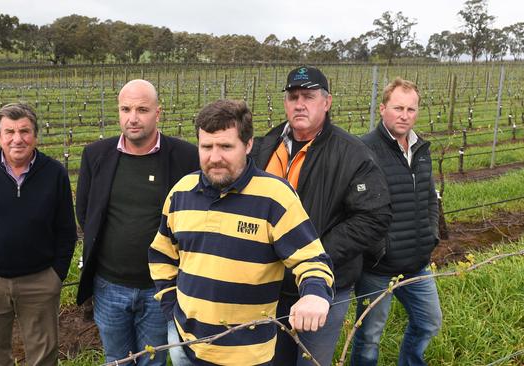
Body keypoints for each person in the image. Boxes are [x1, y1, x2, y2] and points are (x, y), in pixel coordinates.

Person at [149, 99, 335, 365]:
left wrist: (315, 294)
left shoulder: (275, 197)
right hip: (186, 346)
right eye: (206, 147)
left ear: (248, 145)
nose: (214, 158)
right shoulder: (181, 192)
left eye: (226, 146)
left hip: (249, 355)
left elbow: (312, 259)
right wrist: (172, 309)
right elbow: (162, 254)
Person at [251, 66, 392, 366]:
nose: (299, 103)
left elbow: (373, 217)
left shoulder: (352, 153)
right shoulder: (266, 146)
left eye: (308, 96)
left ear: (326, 102)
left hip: (326, 287)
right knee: (270, 359)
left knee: (311, 361)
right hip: (269, 285)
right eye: (293, 96)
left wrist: (314, 256)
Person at [75, 79, 199, 365]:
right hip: (109, 286)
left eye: (142, 109)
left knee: (151, 360)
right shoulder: (96, 154)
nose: (133, 118)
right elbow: (85, 211)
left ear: (158, 113)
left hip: (160, 287)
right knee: (116, 358)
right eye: (125, 109)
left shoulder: (185, 156)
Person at [0, 103, 77, 366]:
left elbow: (66, 230)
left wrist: (57, 275)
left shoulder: (54, 173)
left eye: (24, 131)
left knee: (43, 354)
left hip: (40, 279)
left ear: (35, 136)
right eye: (9, 132)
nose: (17, 139)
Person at [351, 78, 442, 366]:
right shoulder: (364, 150)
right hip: (378, 267)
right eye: (398, 108)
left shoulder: (420, 149)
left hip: (417, 263)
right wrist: (377, 249)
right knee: (369, 337)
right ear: (382, 109)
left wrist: (431, 235)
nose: (405, 115)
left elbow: (430, 198)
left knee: (429, 322)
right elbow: (353, 207)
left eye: (411, 109)